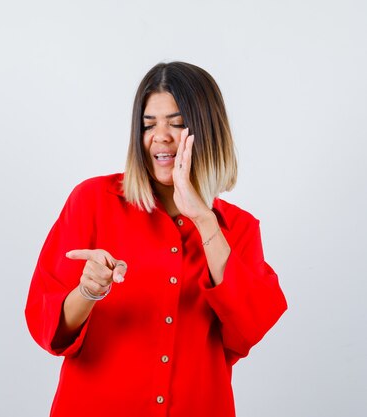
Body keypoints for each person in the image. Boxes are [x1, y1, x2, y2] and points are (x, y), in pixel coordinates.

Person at [25, 61, 287, 417]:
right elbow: (49, 331)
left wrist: (204, 221)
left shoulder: (237, 228)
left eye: (177, 123)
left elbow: (249, 329)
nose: (160, 136)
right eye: (149, 125)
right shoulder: (92, 202)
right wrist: (87, 292)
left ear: (208, 132)